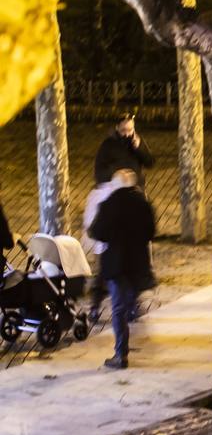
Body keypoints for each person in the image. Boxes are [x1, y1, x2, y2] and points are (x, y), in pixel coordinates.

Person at [88, 168, 155, 370]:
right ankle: (132, 312)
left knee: (117, 310)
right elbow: (151, 232)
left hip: (116, 264)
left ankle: (121, 354)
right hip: (138, 262)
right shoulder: (144, 205)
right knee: (128, 304)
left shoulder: (108, 205)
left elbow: (97, 232)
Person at [92, 115, 156, 189]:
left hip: (135, 188)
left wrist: (139, 148)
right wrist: (115, 178)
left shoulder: (138, 141)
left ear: (134, 129)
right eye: (123, 130)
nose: (127, 134)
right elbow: (99, 170)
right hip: (115, 189)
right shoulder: (108, 144)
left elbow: (150, 163)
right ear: (117, 128)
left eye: (130, 130)